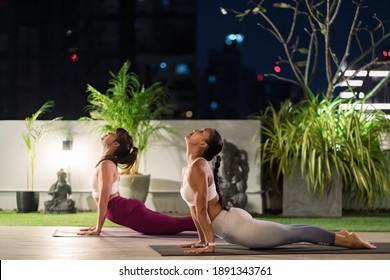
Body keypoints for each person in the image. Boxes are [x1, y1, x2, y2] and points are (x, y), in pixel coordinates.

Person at [179, 128, 377, 254]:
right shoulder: (190, 167)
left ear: (203, 144)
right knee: (291, 230)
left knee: (294, 234)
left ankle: (348, 240)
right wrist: (202, 241)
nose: (194, 131)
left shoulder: (199, 167)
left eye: (200, 131)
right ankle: (340, 235)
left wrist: (210, 246)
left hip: (241, 229)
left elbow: (203, 211)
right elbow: (195, 210)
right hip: (232, 224)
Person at [78, 128, 196, 236]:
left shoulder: (106, 165)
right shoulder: (105, 163)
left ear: (115, 144)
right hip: (123, 209)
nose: (109, 133)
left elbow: (104, 199)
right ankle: (207, 221)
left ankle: (209, 222)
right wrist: (97, 226)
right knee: (175, 222)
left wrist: (98, 229)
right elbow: (105, 198)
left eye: (113, 134)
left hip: (125, 211)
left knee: (177, 224)